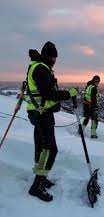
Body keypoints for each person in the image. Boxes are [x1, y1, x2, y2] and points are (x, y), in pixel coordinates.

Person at [26, 41, 77, 202]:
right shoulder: (41, 69)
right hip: (42, 113)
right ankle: (37, 186)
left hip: (38, 112)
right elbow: (48, 94)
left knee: (41, 146)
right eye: (54, 57)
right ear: (50, 56)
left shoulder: (37, 66)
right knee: (50, 149)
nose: (55, 60)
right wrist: (69, 94)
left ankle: (41, 178)